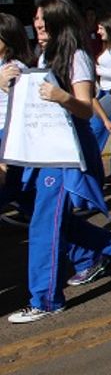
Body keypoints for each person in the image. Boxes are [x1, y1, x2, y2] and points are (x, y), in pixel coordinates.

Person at [4, 0, 111, 324]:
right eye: (35, 19)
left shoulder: (77, 56)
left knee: (44, 226)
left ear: (57, 21)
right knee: (46, 217)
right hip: (41, 150)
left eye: (41, 18)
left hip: (67, 152)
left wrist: (61, 96)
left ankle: (46, 299)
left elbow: (83, 106)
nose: (36, 24)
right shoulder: (44, 54)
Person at [0, 13, 34, 225]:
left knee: (9, 182)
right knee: (17, 184)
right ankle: (32, 212)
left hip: (7, 132)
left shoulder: (15, 68)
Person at [89, 12, 111, 155]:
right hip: (103, 91)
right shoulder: (107, 47)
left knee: (97, 129)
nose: (98, 32)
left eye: (101, 28)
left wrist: (96, 69)